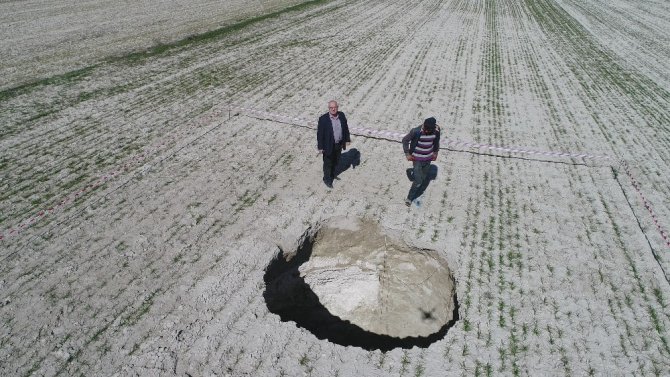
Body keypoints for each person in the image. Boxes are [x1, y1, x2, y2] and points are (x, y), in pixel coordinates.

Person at [402, 117, 440, 206]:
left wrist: (435, 152)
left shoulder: (437, 130)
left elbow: (436, 142)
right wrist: (407, 154)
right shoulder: (415, 131)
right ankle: (409, 198)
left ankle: (413, 174)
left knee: (423, 178)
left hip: (428, 159)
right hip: (417, 159)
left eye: (428, 130)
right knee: (418, 181)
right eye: (425, 129)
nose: (426, 131)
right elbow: (405, 140)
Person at [317, 100, 351, 188]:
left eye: (335, 107)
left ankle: (332, 175)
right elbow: (320, 134)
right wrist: (320, 147)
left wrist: (347, 139)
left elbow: (345, 128)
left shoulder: (342, 115)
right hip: (328, 145)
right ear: (329, 108)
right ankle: (327, 179)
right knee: (328, 163)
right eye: (331, 108)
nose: (333, 109)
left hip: (338, 144)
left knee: (336, 161)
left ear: (337, 107)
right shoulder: (323, 119)